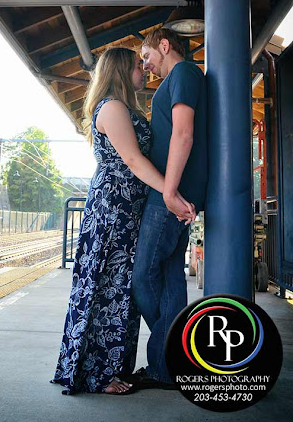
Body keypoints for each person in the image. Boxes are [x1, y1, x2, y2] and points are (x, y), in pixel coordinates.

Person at [51, 46, 194, 396]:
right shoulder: (112, 108)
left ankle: (112, 368)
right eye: (136, 66)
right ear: (119, 71)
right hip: (112, 209)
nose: (142, 71)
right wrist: (169, 193)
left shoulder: (125, 107)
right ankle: (97, 376)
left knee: (120, 290)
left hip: (127, 208)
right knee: (106, 288)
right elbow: (131, 159)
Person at [128, 27, 207, 390]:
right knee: (172, 278)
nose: (145, 65)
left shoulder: (184, 73)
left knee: (142, 274)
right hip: (171, 194)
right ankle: (168, 365)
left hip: (169, 197)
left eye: (146, 56)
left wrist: (170, 190)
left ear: (164, 45)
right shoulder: (179, 77)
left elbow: (183, 133)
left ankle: (170, 352)